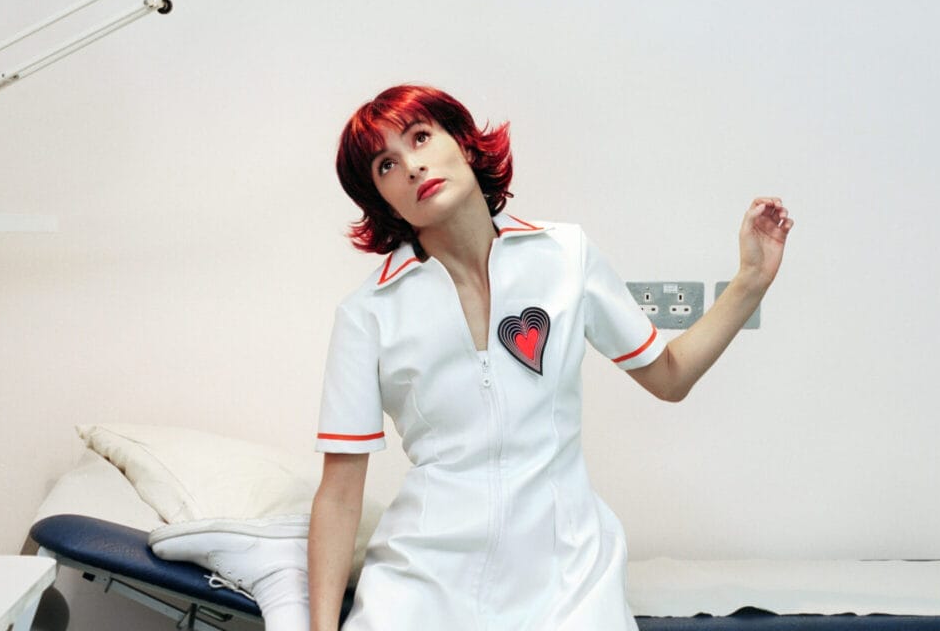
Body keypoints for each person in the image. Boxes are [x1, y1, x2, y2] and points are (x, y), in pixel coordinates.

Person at [308, 84, 793, 631]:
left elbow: (670, 377)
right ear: (382, 200)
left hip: (567, 571)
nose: (413, 167)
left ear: (463, 142)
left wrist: (751, 279)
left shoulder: (565, 255)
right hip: (424, 577)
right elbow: (339, 496)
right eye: (386, 165)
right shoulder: (368, 313)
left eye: (420, 138)